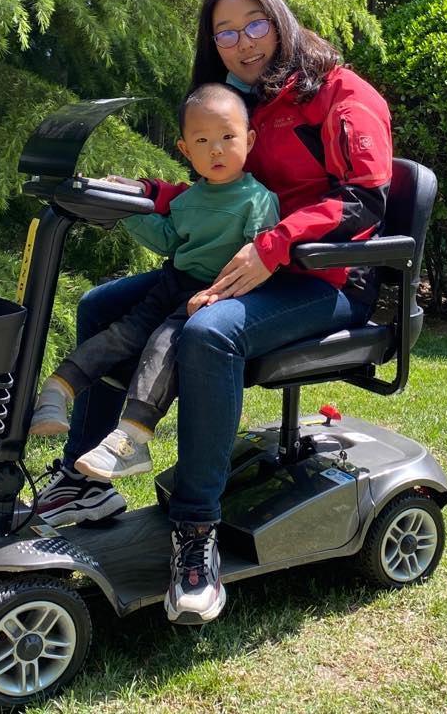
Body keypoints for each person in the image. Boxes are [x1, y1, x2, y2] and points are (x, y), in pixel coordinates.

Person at [34, 0, 393, 626]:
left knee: (207, 334)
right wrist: (146, 193)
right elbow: (223, 181)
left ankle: (195, 535)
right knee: (102, 308)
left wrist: (277, 244)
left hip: (330, 278)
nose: (240, 42)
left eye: (253, 23)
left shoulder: (344, 96)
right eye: (223, 33)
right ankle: (86, 489)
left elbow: (365, 202)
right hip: (254, 260)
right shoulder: (244, 100)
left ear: (279, 18)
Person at [27, 83, 278, 481]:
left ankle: (132, 440)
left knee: (163, 345)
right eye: (203, 140)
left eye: (227, 138)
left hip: (211, 294)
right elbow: (166, 239)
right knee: (122, 334)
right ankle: (57, 391)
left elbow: (254, 260)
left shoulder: (257, 199)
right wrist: (123, 208)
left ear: (248, 140)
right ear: (185, 150)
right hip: (173, 283)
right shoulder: (188, 199)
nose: (216, 149)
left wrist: (213, 294)